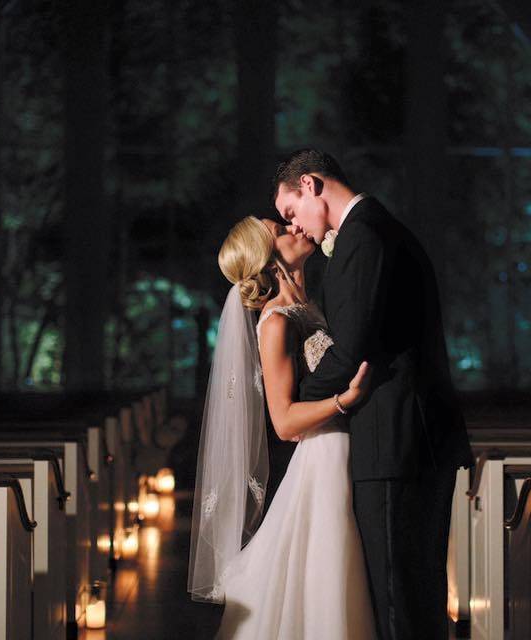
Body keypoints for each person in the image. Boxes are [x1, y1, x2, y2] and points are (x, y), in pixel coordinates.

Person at [274, 149, 474, 640]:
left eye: (290, 211)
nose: (295, 227)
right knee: (408, 600)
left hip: (397, 444)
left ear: (312, 185)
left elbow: (351, 352)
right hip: (406, 441)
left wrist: (295, 406)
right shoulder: (376, 229)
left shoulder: (363, 237)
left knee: (398, 605)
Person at [188, 216, 377, 639]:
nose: (297, 229)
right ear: (269, 258)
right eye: (282, 231)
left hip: (345, 450)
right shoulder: (276, 323)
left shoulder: (308, 306)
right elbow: (285, 423)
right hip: (324, 458)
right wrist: (344, 400)